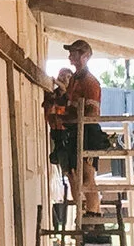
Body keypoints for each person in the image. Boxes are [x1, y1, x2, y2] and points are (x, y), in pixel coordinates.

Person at [45, 40, 109, 221]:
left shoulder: (91, 82)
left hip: (88, 131)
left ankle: (94, 215)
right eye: (71, 53)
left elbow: (91, 112)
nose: (70, 57)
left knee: (87, 176)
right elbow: (69, 105)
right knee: (74, 174)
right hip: (73, 131)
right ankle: (84, 214)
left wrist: (69, 117)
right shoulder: (74, 80)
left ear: (85, 56)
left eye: (74, 53)